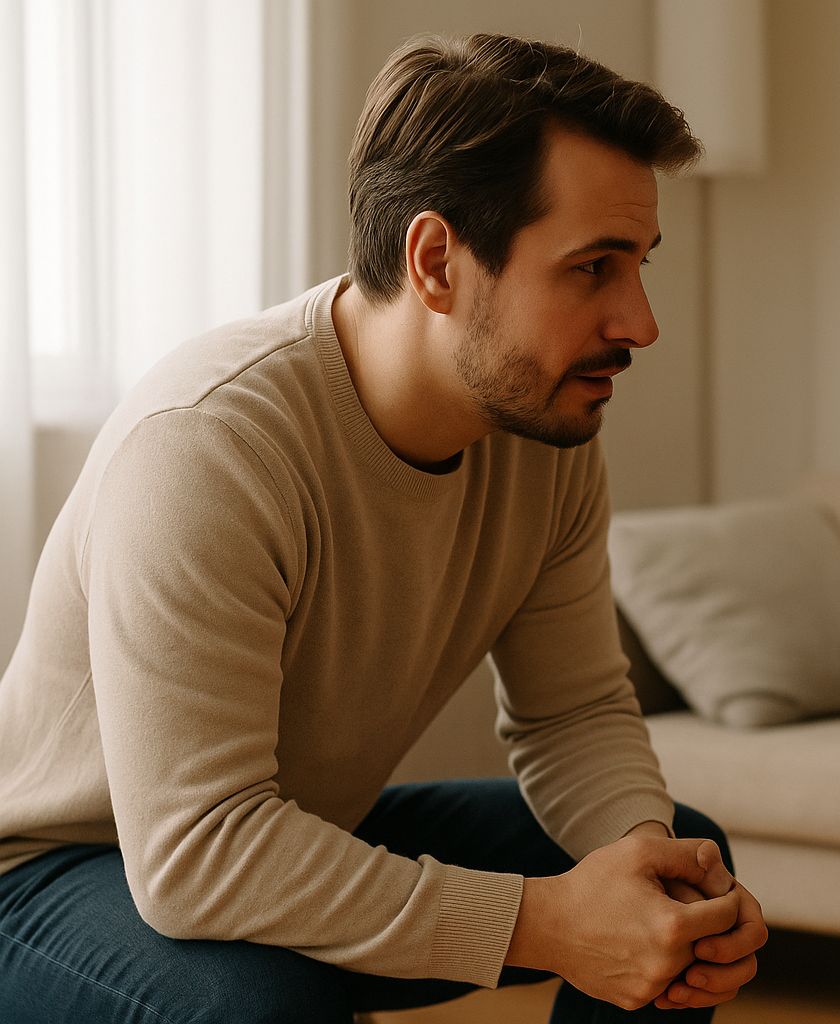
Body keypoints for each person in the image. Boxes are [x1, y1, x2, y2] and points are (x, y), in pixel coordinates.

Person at [0, 34, 765, 1023]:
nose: (640, 320)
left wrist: (640, 878)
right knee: (260, 1002)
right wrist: (548, 921)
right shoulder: (209, 446)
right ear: (438, 260)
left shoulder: (550, 431)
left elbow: (571, 713)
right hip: (54, 872)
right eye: (594, 268)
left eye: (639, 265)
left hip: (290, 830)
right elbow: (195, 855)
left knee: (684, 876)